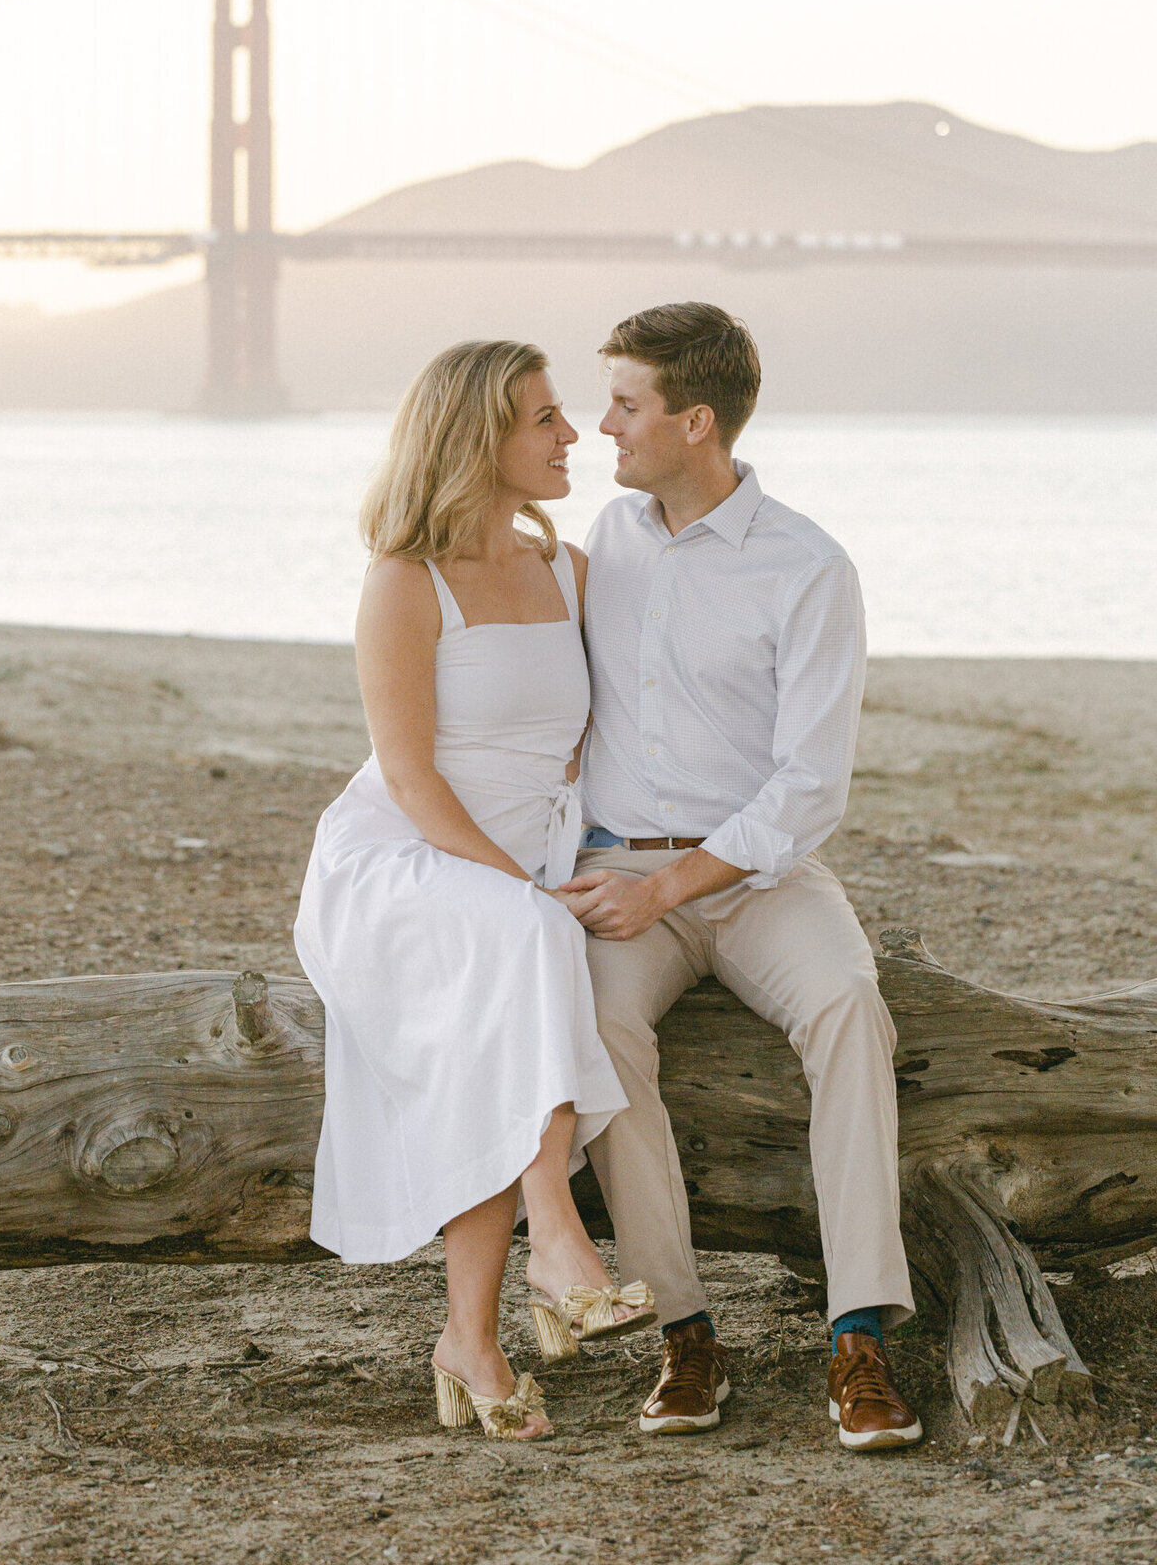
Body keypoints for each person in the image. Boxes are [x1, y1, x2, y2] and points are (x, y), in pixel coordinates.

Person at [561, 302, 923, 1450]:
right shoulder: (605, 542)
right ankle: (686, 1335)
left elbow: (812, 785)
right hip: (621, 860)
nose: (601, 424)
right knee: (601, 1036)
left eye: (627, 403)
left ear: (696, 421)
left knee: (849, 1010)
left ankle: (858, 1334)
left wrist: (674, 889)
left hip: (764, 876)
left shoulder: (807, 567)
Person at [294, 340, 655, 1444]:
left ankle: (471, 1341)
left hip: (523, 856)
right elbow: (409, 776)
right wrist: (522, 890)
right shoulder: (406, 581)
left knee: (503, 1009)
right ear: (475, 438)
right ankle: (557, 1234)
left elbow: (606, 730)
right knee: (523, 941)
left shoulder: (571, 567)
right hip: (405, 857)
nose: (570, 435)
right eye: (544, 418)